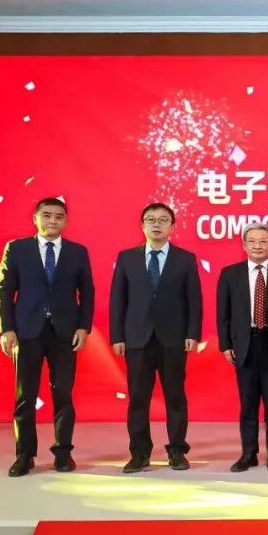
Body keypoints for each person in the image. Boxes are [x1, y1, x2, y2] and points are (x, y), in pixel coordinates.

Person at [0, 198, 95, 477]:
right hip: (26, 332)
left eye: (59, 216)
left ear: (66, 220)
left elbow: (87, 291)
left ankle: (63, 453)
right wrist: (6, 328)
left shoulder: (77, 252)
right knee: (25, 397)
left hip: (65, 333)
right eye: (47, 215)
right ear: (35, 218)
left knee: (63, 394)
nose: (53, 220)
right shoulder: (17, 249)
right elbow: (5, 290)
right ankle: (24, 455)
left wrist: (83, 327)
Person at [110, 203, 202, 474]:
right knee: (138, 398)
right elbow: (118, 300)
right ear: (143, 225)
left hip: (173, 338)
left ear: (172, 226)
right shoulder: (127, 258)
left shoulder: (185, 259)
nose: (156, 224)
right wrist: (117, 336)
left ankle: (177, 450)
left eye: (163, 220)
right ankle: (139, 453)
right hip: (136, 338)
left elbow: (194, 300)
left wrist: (192, 333)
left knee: (175, 397)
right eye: (151, 220)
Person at [217, 223, 268, 473]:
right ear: (244, 245)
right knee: (248, 403)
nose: (257, 246)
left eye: (263, 241)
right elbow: (223, 313)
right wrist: (225, 344)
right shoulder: (230, 274)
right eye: (252, 241)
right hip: (244, 344)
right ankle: (248, 453)